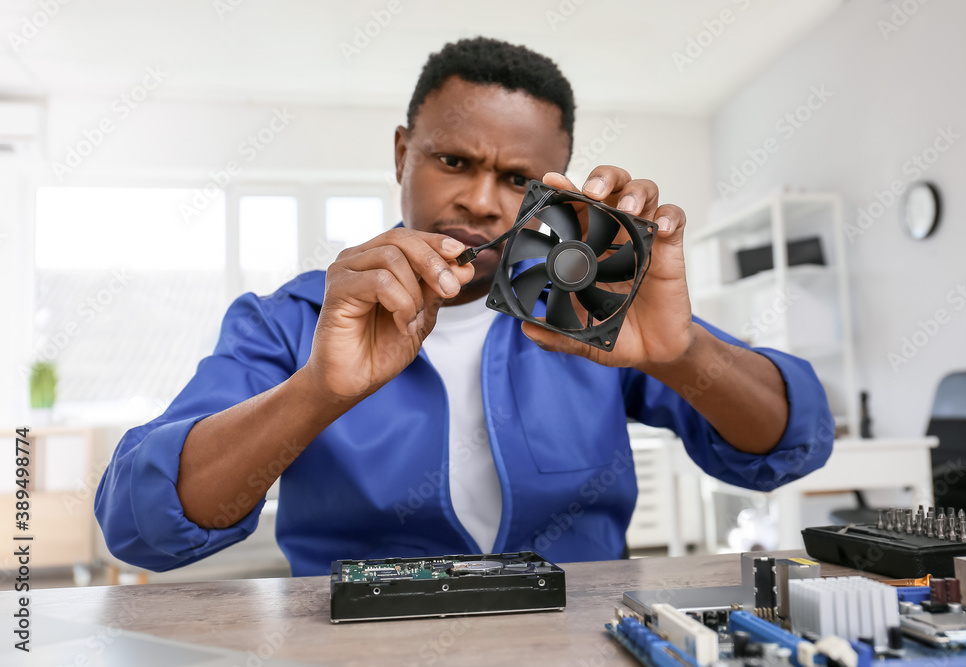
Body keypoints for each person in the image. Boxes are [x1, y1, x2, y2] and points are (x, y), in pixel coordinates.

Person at [95, 37, 834, 576]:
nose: (480, 201)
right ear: (401, 155)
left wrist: (683, 354)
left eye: (517, 179)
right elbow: (137, 523)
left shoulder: (584, 308)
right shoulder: (288, 320)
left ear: (553, 188)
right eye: (454, 161)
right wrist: (316, 391)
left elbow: (790, 442)